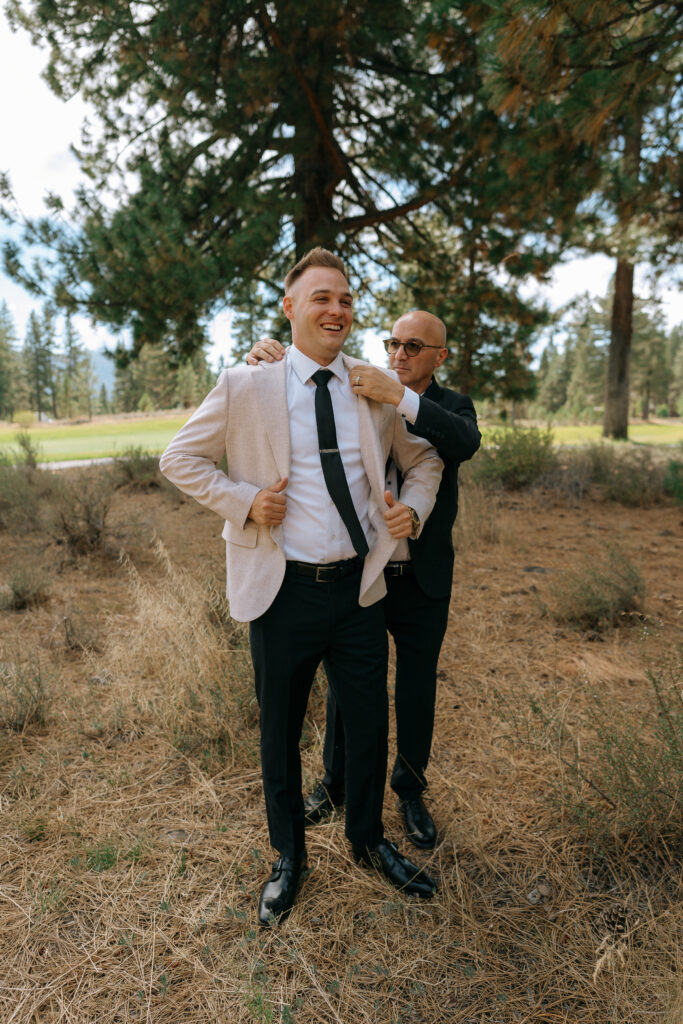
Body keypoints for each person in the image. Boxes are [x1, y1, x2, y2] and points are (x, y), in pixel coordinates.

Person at [160, 249, 443, 927]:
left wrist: (414, 511)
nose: (336, 309)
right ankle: (289, 858)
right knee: (279, 734)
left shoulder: (371, 388)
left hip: (356, 593)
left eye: (345, 299)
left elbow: (424, 457)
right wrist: (244, 500)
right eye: (320, 298)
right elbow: (179, 458)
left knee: (369, 725)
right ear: (289, 309)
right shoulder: (247, 383)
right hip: (280, 592)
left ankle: (368, 840)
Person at [247, 309, 480, 849]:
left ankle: (410, 792)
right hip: (364, 573)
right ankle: (334, 783)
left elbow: (462, 444)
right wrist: (266, 358)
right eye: (393, 343)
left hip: (421, 579)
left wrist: (402, 399)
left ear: (439, 357)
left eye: (414, 346)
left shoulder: (446, 406)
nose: (399, 354)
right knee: (349, 690)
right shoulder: (359, 388)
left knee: (416, 687)